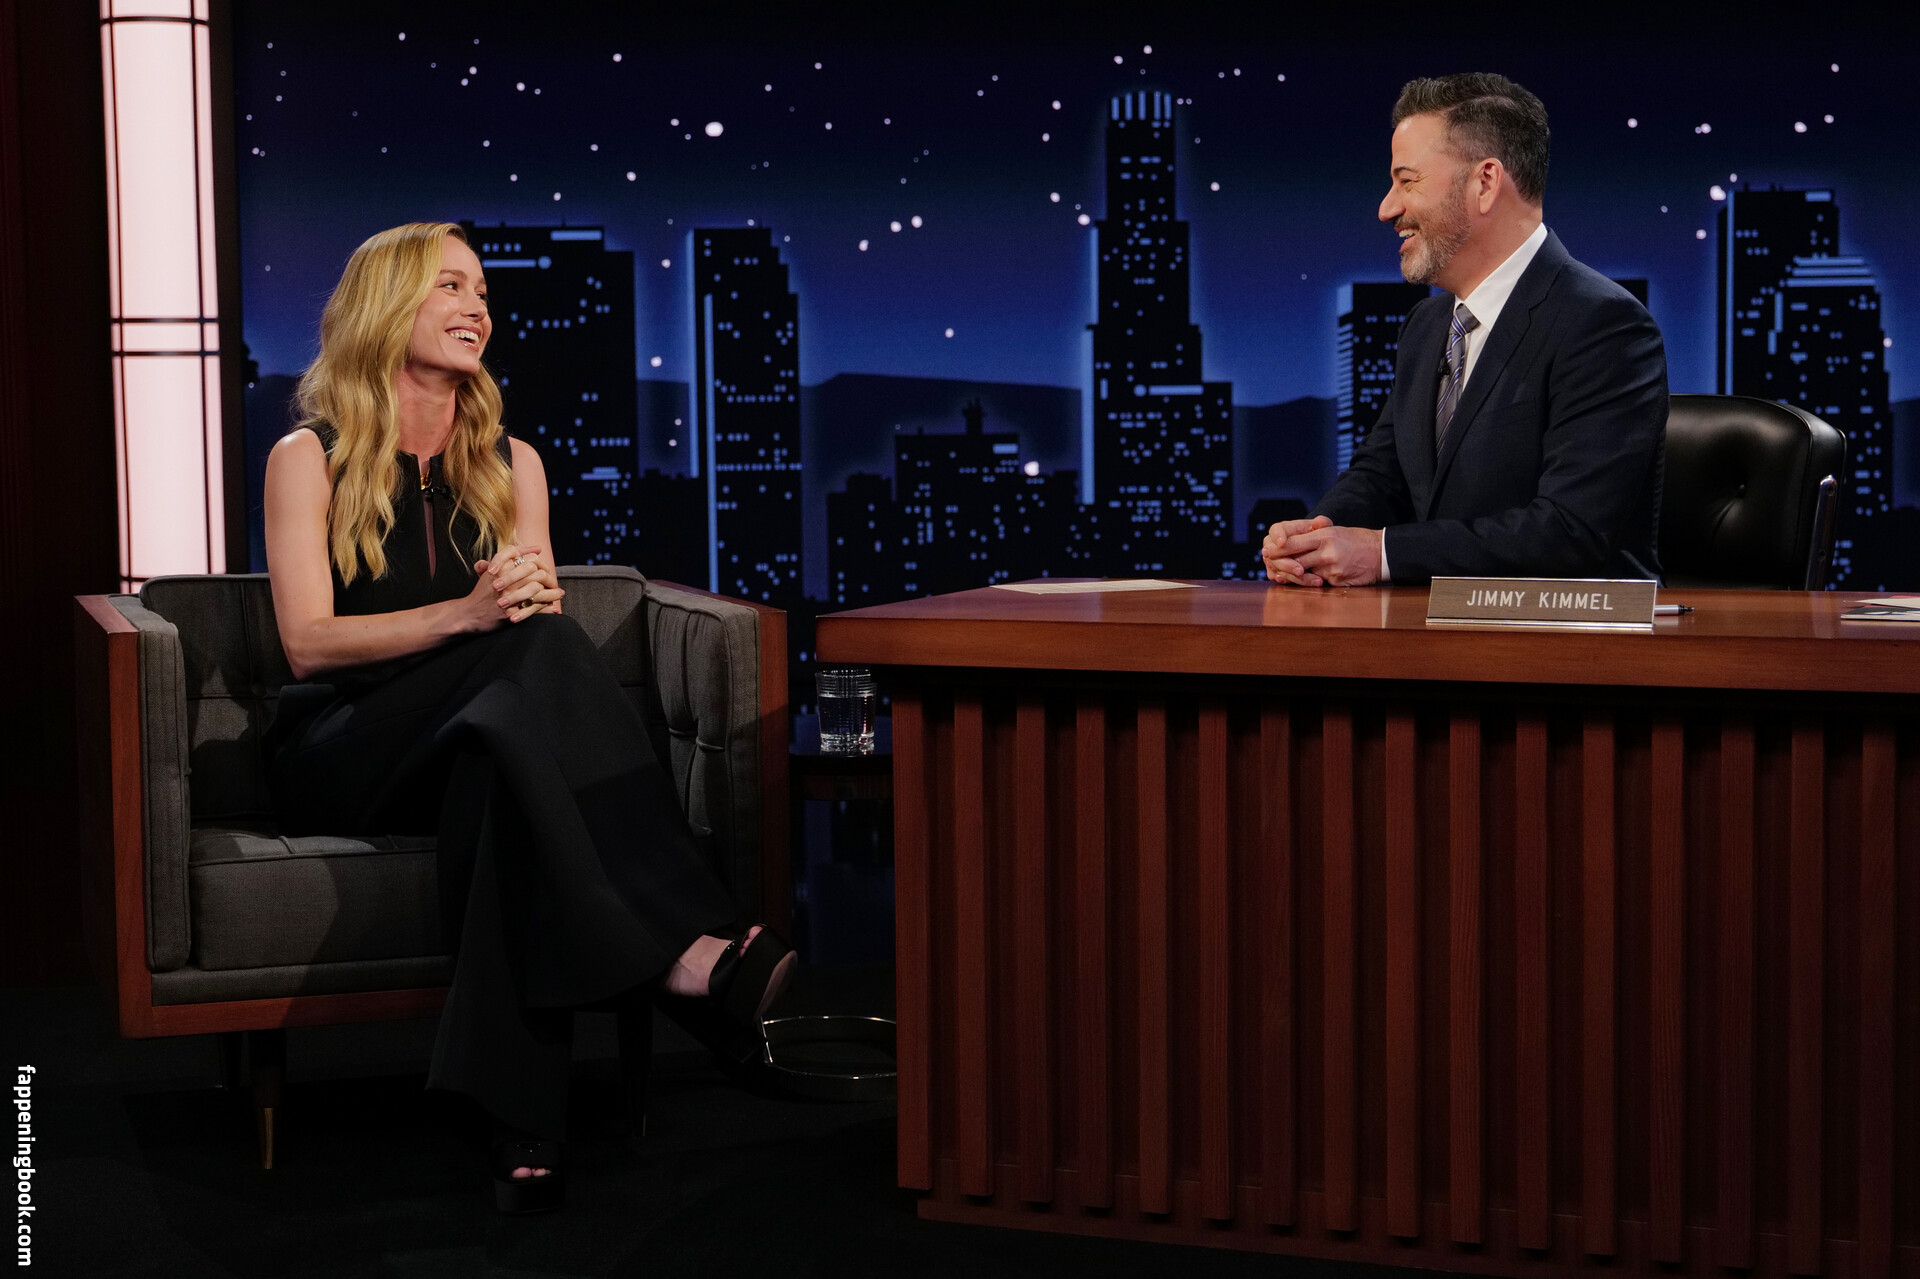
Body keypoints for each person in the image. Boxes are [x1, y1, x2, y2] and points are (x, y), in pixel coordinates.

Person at [262, 222, 794, 1214]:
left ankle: (523, 1122)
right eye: (449, 287)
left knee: (506, 770)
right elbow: (307, 645)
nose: (477, 307)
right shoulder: (310, 457)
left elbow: (531, 619)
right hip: (347, 745)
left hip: (477, 734)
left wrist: (514, 612)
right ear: (388, 304)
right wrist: (466, 615)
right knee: (533, 657)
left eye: (482, 291)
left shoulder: (514, 463)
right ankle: (692, 944)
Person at [1262, 73, 1667, 588]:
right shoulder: (1426, 327)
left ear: (1485, 183)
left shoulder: (1603, 325)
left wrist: (1382, 554)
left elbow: (1570, 531)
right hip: (1431, 629)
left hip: (1561, 634)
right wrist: (1313, 539)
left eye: (1407, 182)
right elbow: (1382, 476)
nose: (1387, 208)